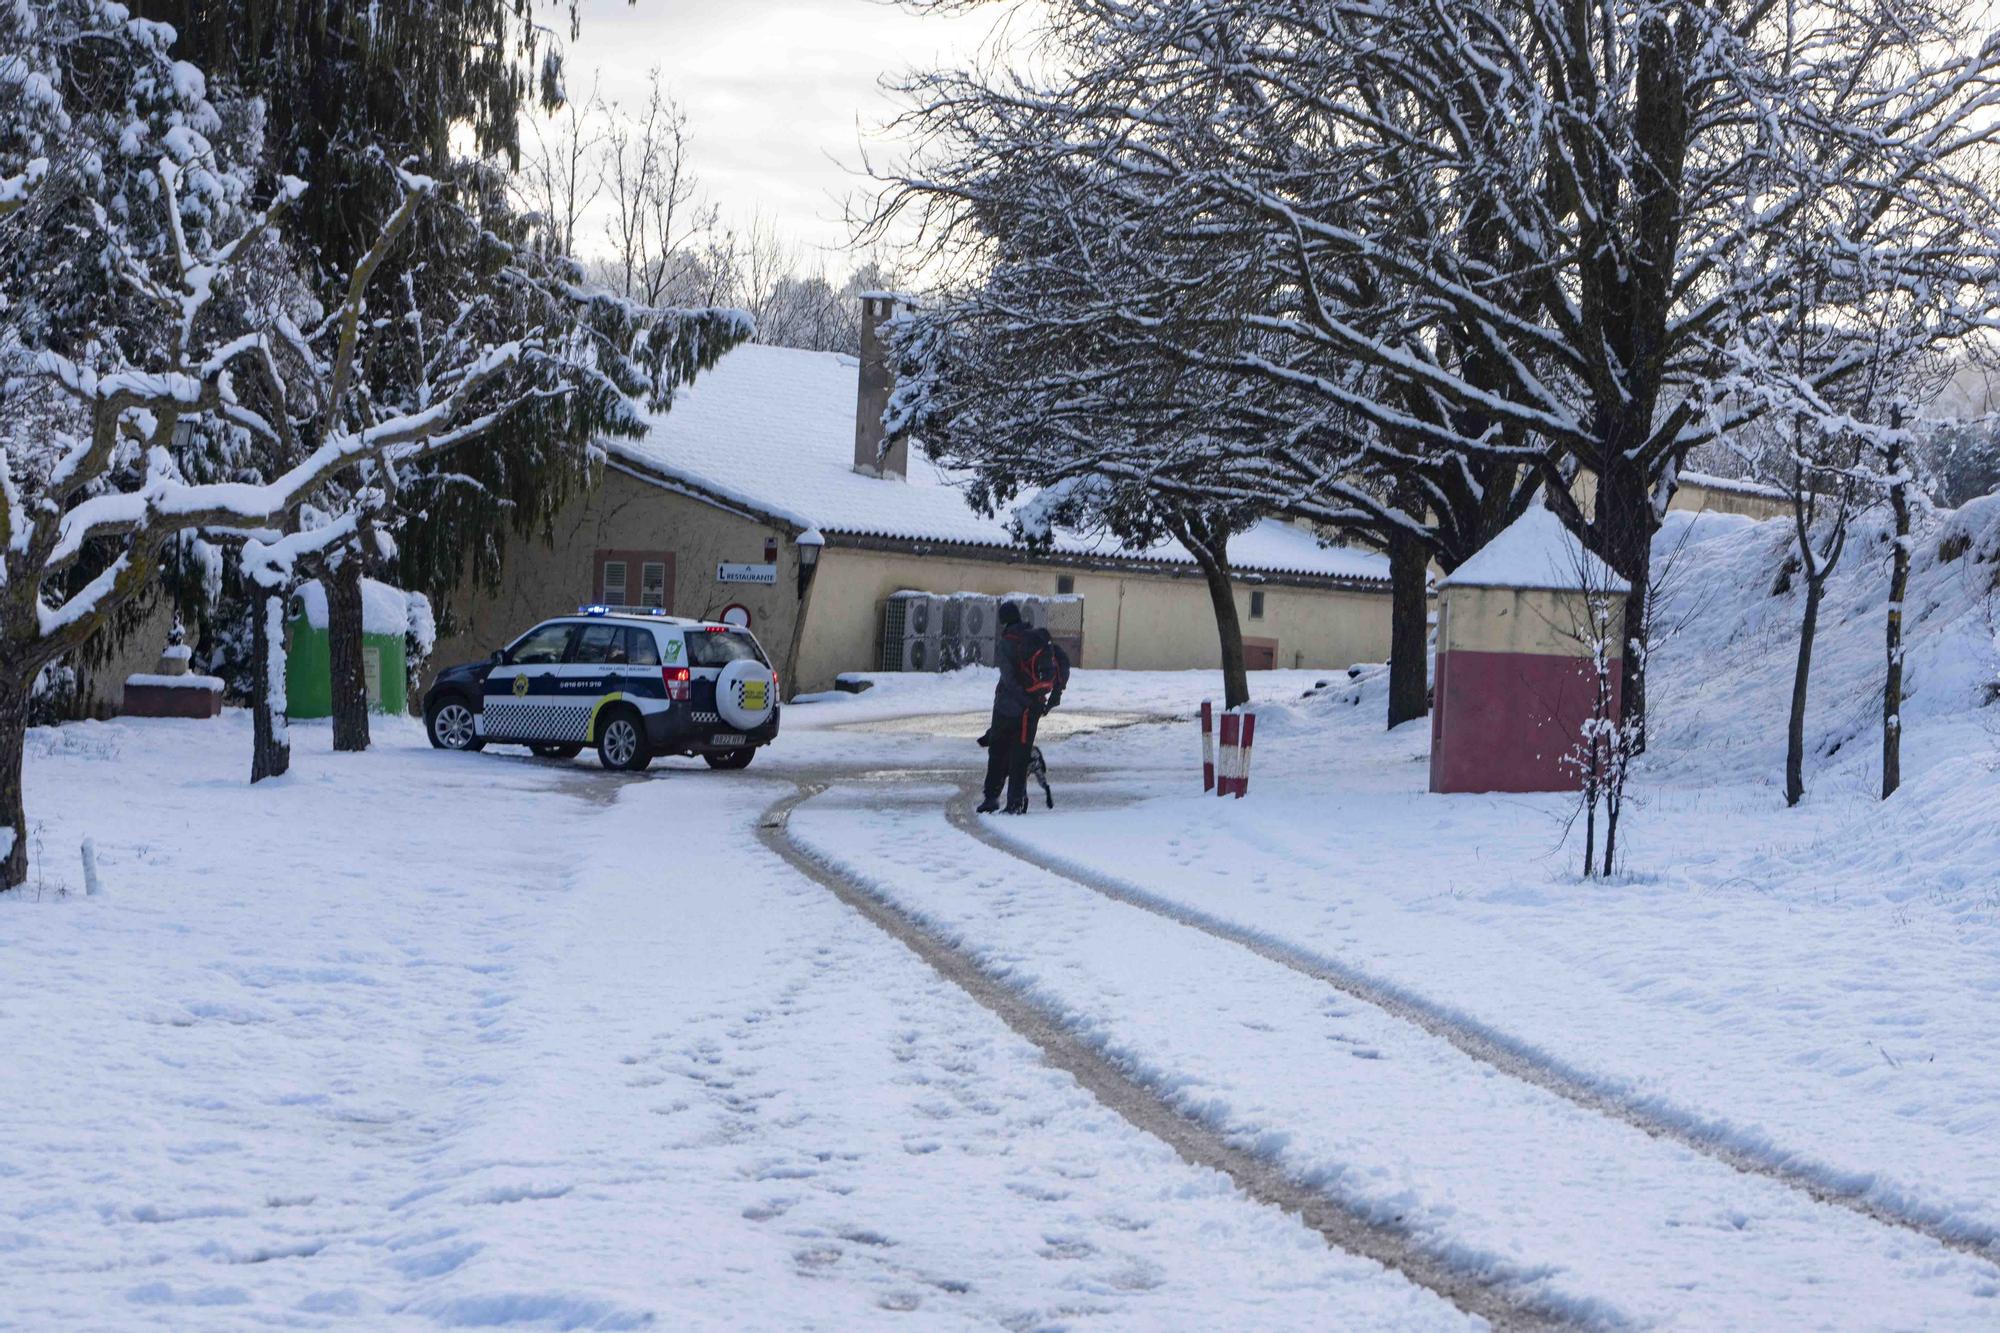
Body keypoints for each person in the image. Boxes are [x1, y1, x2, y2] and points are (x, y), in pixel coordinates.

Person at [978, 601, 1069, 814]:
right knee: (1020, 754)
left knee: (998, 751)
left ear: (1003, 621)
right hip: (1032, 709)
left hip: (1007, 707)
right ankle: (1015, 803)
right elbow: (1061, 661)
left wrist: (1021, 698)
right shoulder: (1037, 638)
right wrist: (1053, 696)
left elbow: (1008, 678)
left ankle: (991, 798)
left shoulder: (1007, 643)